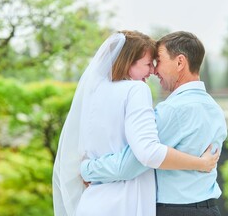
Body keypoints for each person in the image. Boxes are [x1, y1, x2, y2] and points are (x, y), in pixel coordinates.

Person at [52, 30, 219, 216]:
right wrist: (201, 163)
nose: (154, 70)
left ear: (180, 62)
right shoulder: (214, 109)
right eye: (149, 63)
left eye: (157, 62)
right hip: (207, 208)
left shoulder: (168, 110)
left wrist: (86, 169)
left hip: (120, 203)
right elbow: (145, 154)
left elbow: (129, 164)